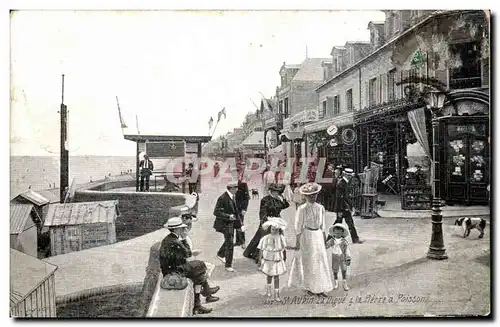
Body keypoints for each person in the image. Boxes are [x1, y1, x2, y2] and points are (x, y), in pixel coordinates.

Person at [159, 217, 220, 315]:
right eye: (181, 228)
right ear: (176, 229)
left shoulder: (169, 239)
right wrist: (184, 238)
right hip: (175, 271)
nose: (182, 230)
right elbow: (187, 253)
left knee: (198, 274)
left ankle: (199, 303)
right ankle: (204, 295)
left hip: (171, 269)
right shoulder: (175, 241)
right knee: (201, 265)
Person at [288, 182, 333, 297]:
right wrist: (298, 241)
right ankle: (309, 286)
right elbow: (298, 226)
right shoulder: (302, 208)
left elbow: (323, 226)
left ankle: (321, 286)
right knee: (309, 260)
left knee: (320, 260)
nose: (313, 197)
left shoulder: (320, 208)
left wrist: (323, 239)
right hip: (307, 235)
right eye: (310, 196)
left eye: (314, 195)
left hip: (317, 234)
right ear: (306, 196)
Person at [243, 183, 289, 263]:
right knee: (262, 239)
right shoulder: (265, 199)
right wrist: (265, 222)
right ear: (270, 191)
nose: (276, 193)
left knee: (279, 238)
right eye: (274, 191)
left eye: (278, 192)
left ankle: (276, 256)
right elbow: (262, 212)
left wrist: (283, 198)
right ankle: (257, 256)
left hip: (277, 222)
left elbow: (285, 206)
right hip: (267, 220)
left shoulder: (278, 199)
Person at [213, 181, 242, 272]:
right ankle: (228, 265)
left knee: (229, 241)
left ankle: (221, 254)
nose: (237, 189)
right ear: (231, 188)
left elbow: (236, 211)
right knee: (230, 243)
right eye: (236, 188)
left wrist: (239, 224)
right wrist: (228, 216)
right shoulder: (223, 198)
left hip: (231, 223)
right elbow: (216, 212)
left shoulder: (233, 196)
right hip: (224, 223)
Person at [257, 217, 288, 302]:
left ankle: (277, 294)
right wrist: (260, 260)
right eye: (272, 229)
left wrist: (284, 258)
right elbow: (261, 249)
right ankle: (269, 290)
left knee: (277, 276)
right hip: (268, 259)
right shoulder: (266, 238)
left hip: (277, 259)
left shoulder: (281, 238)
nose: (274, 231)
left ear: (279, 230)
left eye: (276, 230)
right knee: (269, 275)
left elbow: (284, 248)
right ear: (270, 229)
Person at [334, 168, 363, 244]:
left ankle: (355, 239)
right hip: (342, 207)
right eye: (348, 175)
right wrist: (342, 209)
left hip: (344, 207)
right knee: (340, 224)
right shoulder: (341, 184)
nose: (350, 177)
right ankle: (355, 239)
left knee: (343, 224)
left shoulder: (345, 182)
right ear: (345, 175)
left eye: (350, 176)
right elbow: (340, 198)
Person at [325, 223, 352, 291]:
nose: (338, 235)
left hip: (342, 257)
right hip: (335, 257)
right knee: (335, 270)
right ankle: (336, 282)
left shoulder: (344, 241)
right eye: (336, 233)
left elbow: (347, 250)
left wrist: (348, 257)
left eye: (339, 233)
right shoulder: (332, 240)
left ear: (342, 233)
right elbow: (326, 246)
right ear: (334, 233)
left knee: (344, 270)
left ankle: (344, 282)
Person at [235, 177, 250, 249]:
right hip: (233, 207)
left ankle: (243, 242)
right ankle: (238, 241)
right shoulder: (232, 182)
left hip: (240, 208)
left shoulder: (243, 183)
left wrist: (244, 208)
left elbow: (247, 197)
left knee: (240, 224)